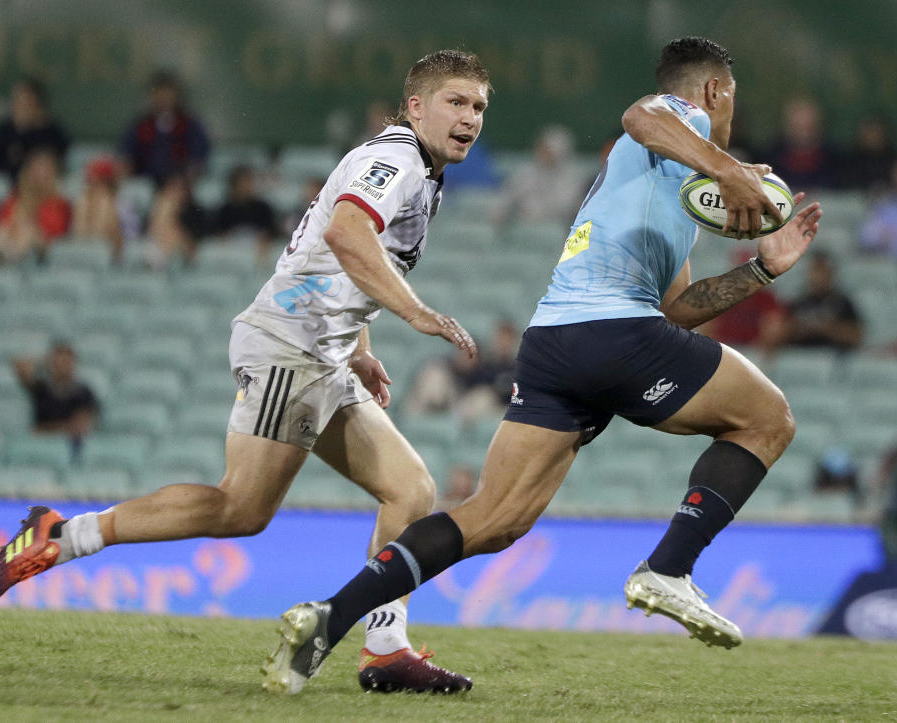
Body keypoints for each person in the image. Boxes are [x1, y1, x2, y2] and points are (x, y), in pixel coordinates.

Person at [268, 36, 823, 695]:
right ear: (714, 93)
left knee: (494, 518)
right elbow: (641, 116)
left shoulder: (658, 187)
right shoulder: (683, 119)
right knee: (769, 418)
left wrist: (760, 268)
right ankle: (668, 569)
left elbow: (676, 309)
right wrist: (730, 168)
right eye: (730, 99)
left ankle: (329, 619)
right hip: (609, 330)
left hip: (558, 341)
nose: (729, 115)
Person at [0, 49, 490, 695]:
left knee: (411, 490)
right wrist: (415, 313)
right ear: (416, 106)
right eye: (456, 101)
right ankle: (64, 533)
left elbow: (344, 257)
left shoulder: (417, 169)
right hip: (289, 345)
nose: (469, 116)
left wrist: (359, 344)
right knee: (239, 508)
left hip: (320, 350)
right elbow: (346, 234)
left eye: (478, 105)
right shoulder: (394, 160)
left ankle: (386, 650)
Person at [118, 70, 210, 187]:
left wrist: (191, 172)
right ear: (152, 96)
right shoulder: (141, 124)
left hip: (180, 183)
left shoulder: (189, 124)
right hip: (146, 182)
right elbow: (126, 151)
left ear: (176, 95)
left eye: (168, 93)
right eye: (159, 92)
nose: (164, 97)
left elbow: (199, 153)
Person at [12, 341, 100, 459]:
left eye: (66, 361)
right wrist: (44, 362)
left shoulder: (83, 392)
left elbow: (79, 428)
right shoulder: (42, 389)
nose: (61, 366)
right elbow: (20, 365)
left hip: (68, 448)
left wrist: (43, 430)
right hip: (40, 448)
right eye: (57, 361)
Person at [490, 125, 588, 227]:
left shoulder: (573, 178)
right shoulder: (526, 172)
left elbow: (565, 207)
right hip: (523, 228)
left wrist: (532, 209)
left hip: (555, 231)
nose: (544, 153)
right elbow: (506, 197)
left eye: (548, 149)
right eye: (542, 148)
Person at [766, 251, 863, 352]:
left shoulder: (843, 302)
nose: (819, 276)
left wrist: (827, 328)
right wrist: (801, 328)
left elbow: (857, 336)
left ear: (831, 273)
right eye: (816, 270)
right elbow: (778, 334)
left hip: (833, 358)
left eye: (823, 270)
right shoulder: (798, 302)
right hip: (800, 358)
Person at [0, 147, 72, 263]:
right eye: (36, 168)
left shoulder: (59, 203)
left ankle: (9, 265)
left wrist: (32, 225)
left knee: (27, 231)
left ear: (53, 172)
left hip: (46, 247)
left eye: (45, 169)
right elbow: (4, 221)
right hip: (14, 238)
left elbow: (57, 232)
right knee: (3, 230)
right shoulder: (15, 198)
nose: (40, 174)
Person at [0, 77, 69, 181]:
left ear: (38, 103)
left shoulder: (52, 132)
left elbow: (59, 162)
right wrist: (20, 131)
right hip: (9, 188)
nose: (22, 106)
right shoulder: (4, 130)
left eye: (27, 102)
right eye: (18, 101)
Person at [213, 164, 279, 262]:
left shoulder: (263, 208)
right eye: (243, 182)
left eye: (250, 182)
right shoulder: (225, 210)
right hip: (232, 255)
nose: (247, 186)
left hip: (258, 254)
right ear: (234, 185)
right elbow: (219, 234)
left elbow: (271, 232)